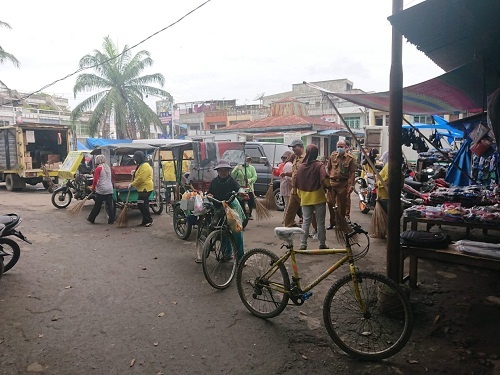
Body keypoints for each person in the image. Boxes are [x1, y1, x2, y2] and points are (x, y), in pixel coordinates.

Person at [206, 160, 244, 262]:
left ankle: (241, 258)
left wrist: (241, 193)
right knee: (222, 232)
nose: (223, 172)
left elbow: (239, 188)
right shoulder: (214, 182)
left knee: (237, 233)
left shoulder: (231, 181)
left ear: (228, 171)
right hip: (219, 208)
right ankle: (227, 254)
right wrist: (209, 195)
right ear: (217, 171)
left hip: (231, 208)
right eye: (221, 170)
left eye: (225, 170)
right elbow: (209, 192)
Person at [295, 144, 328, 250]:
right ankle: (322, 244)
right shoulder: (319, 165)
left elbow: (297, 183)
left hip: (305, 198)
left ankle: (303, 244)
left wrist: (301, 196)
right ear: (316, 153)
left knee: (306, 222)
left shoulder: (301, 167)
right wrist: (328, 188)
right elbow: (325, 178)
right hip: (319, 197)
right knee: (320, 223)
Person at [326, 140, 357, 222]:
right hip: (332, 182)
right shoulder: (333, 156)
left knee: (342, 204)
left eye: (341, 147)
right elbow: (328, 168)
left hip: (343, 184)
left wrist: (352, 185)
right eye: (338, 146)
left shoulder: (350, 158)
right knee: (330, 202)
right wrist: (327, 181)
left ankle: (341, 221)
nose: (339, 148)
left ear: (345, 147)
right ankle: (332, 221)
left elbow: (352, 173)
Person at [281, 139, 305, 227]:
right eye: (292, 147)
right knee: (290, 210)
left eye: (295, 147)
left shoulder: (305, 158)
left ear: (301, 147)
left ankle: (315, 229)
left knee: (307, 210)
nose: (293, 149)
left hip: (302, 190)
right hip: (294, 189)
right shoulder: (296, 158)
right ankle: (287, 227)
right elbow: (295, 173)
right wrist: (286, 173)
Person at [87, 155, 115, 225]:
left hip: (102, 190)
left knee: (97, 205)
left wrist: (93, 188)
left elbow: (95, 180)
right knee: (109, 205)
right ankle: (111, 220)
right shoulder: (108, 167)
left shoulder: (98, 168)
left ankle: (91, 218)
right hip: (109, 189)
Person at [129, 151, 154, 227]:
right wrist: (134, 172)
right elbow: (139, 174)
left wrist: (132, 184)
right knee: (141, 204)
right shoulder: (141, 165)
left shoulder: (145, 166)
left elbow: (141, 178)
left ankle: (149, 220)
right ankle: (145, 220)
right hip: (142, 189)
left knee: (143, 204)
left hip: (145, 189)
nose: (135, 161)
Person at [231, 155, 257, 219]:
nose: (248, 161)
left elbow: (255, 177)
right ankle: (240, 213)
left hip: (249, 187)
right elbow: (232, 175)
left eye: (249, 160)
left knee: (251, 201)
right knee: (240, 201)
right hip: (240, 187)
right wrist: (236, 169)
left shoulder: (252, 168)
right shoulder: (238, 167)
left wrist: (249, 180)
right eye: (246, 160)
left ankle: (249, 214)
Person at [279, 151, 294, 221]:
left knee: (288, 205)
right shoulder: (289, 165)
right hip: (287, 188)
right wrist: (294, 184)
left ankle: (286, 219)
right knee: (288, 205)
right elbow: (288, 178)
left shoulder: (288, 164)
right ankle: (286, 219)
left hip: (286, 187)